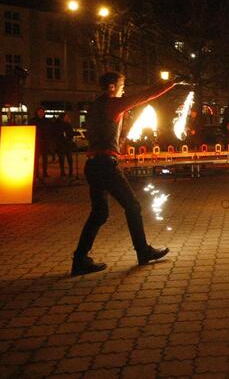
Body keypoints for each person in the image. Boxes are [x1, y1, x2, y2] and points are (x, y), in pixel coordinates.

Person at [71, 71, 185, 276]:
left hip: (93, 165)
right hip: (105, 165)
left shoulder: (94, 107)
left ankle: (79, 259)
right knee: (132, 206)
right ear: (112, 87)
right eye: (122, 85)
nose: (124, 90)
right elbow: (145, 96)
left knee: (99, 213)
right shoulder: (112, 104)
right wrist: (172, 83)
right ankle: (143, 252)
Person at [29, 107, 52, 180]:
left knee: (45, 158)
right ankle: (36, 173)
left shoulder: (47, 121)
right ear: (37, 112)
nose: (41, 113)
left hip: (45, 142)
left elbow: (50, 131)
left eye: (43, 111)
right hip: (36, 142)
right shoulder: (33, 120)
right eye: (40, 111)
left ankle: (45, 172)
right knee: (36, 159)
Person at [55, 112, 76, 177]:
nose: (67, 118)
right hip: (62, 144)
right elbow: (58, 134)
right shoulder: (58, 124)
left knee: (70, 158)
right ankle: (62, 171)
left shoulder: (68, 124)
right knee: (62, 158)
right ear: (63, 117)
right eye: (66, 117)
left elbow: (71, 133)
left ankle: (70, 171)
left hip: (68, 144)